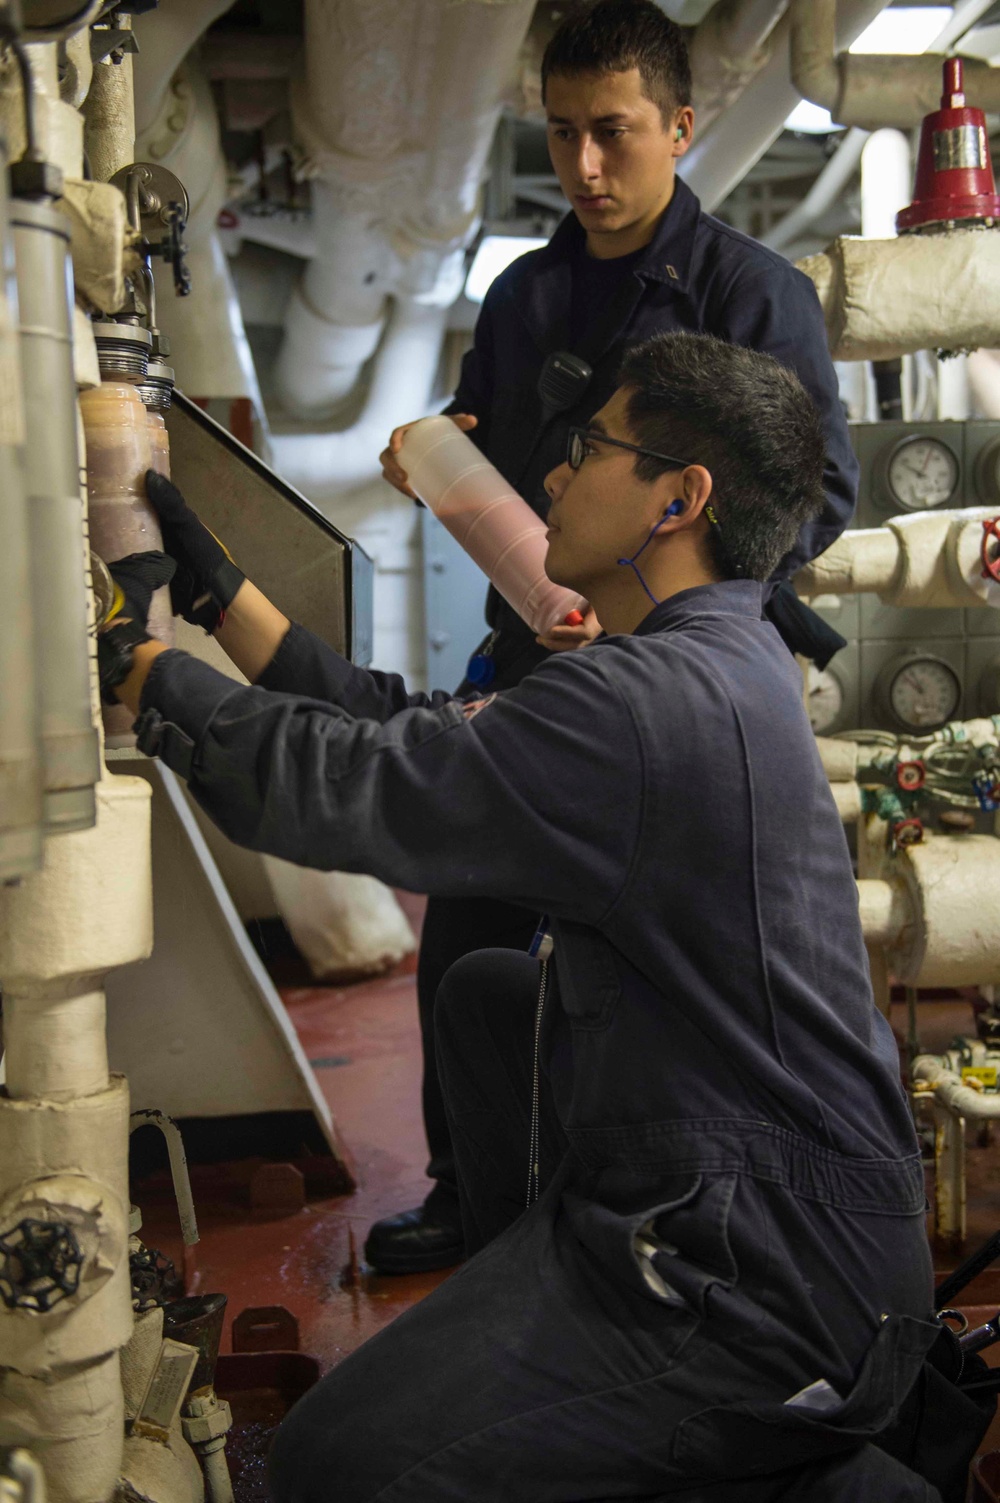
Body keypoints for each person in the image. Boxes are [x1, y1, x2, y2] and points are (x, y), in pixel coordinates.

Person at [99, 332, 937, 1500]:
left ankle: (738, 1440)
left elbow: (364, 787)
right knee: (489, 993)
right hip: (763, 1203)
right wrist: (222, 603)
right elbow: (426, 729)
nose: (551, 474)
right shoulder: (705, 661)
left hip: (757, 1274)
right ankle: (548, 1344)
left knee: (339, 1463)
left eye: (592, 447)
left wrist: (138, 669)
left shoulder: (647, 704)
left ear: (676, 501)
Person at [372, 0, 860, 1274]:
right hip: (539, 658)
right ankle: (470, 1191)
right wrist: (439, 461)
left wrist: (679, 612)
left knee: (661, 956)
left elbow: (824, 498)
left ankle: (688, 1204)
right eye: (561, 134)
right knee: (466, 928)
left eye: (615, 134)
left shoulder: (752, 299)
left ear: (682, 130)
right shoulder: (525, 296)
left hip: (685, 677)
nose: (585, 167)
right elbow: (491, 452)